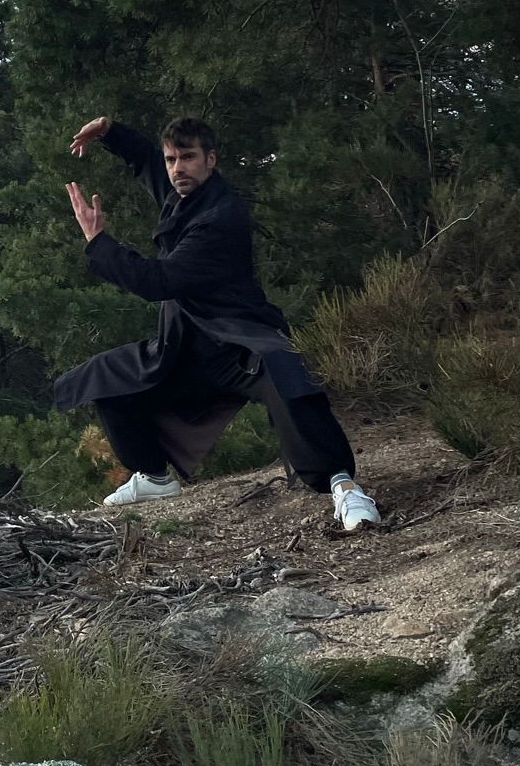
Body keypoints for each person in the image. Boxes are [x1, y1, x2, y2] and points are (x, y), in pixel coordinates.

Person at [54, 113, 381, 531]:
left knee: (287, 375)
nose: (177, 168)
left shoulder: (221, 215)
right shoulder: (183, 195)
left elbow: (159, 281)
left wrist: (98, 242)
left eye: (188, 157)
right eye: (172, 159)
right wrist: (110, 132)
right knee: (107, 377)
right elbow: (149, 163)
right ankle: (154, 477)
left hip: (240, 341)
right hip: (187, 346)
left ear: (211, 159)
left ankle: (344, 487)